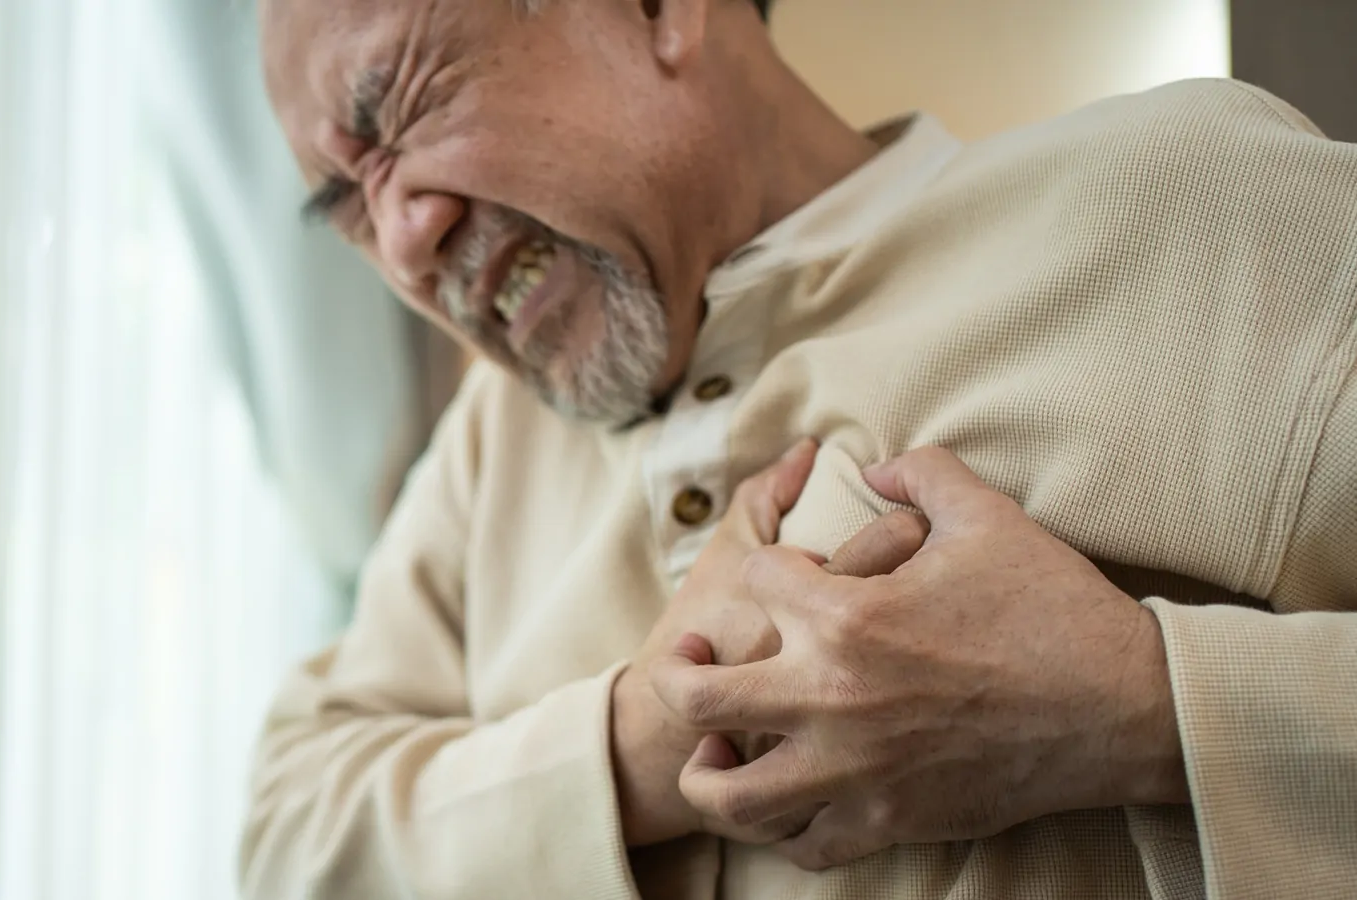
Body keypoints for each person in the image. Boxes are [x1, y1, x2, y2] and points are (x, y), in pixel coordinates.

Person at [242, 0, 1357, 896]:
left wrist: (1137, 711)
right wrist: (642, 742)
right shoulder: (490, 448)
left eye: (408, 104)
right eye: (346, 203)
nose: (400, 242)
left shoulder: (1185, 204)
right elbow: (287, 841)